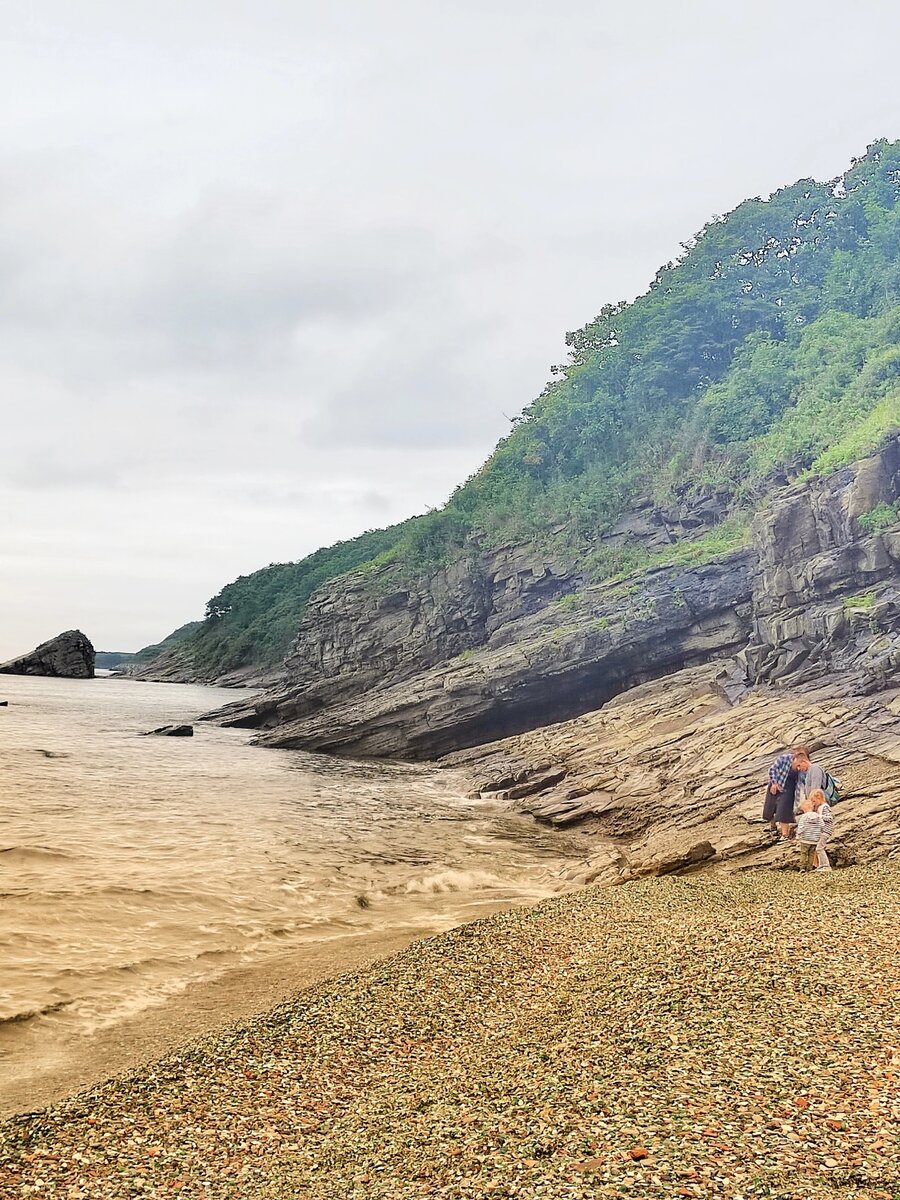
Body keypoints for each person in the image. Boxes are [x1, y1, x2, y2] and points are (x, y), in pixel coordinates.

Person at [795, 797, 823, 872]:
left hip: (805, 839)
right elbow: (822, 825)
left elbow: (801, 827)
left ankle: (802, 867)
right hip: (814, 840)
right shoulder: (818, 816)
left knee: (804, 853)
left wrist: (798, 836)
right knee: (811, 854)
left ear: (805, 808)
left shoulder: (804, 817)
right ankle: (810, 868)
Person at [809, 788, 834, 872]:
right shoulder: (819, 808)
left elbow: (830, 818)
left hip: (826, 831)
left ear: (819, 798)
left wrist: (819, 817)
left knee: (819, 848)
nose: (813, 804)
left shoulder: (825, 807)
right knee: (818, 848)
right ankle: (821, 865)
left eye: (814, 801)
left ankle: (826, 866)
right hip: (822, 831)